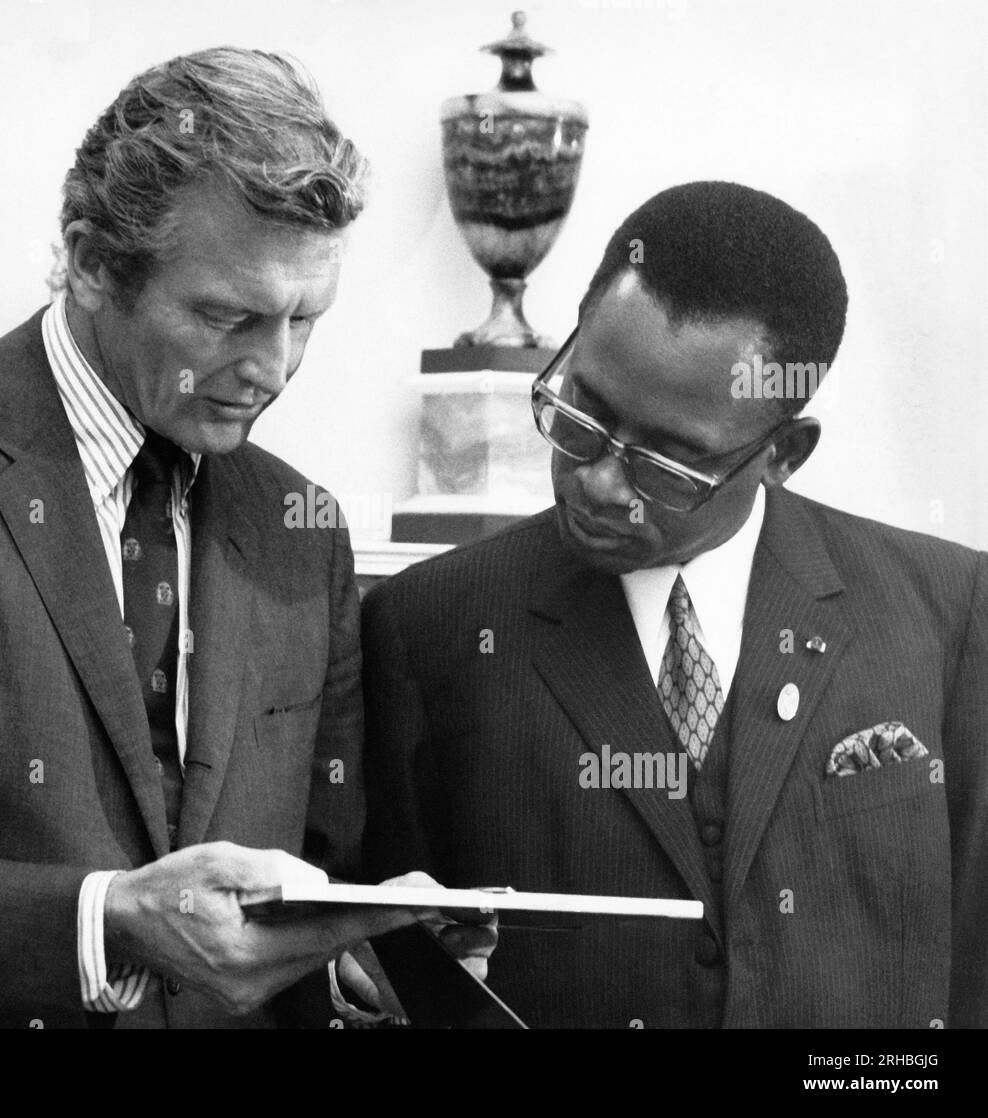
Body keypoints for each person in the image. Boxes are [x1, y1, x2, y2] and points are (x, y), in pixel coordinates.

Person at [0, 47, 455, 1029]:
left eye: (305, 318)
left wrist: (365, 950)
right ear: (93, 260)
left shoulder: (299, 529)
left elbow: (314, 877)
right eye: (227, 315)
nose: (273, 367)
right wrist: (105, 922)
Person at [361, 181, 988, 1028]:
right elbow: (397, 966)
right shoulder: (425, 629)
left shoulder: (950, 612)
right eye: (581, 413)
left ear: (783, 455)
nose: (599, 483)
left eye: (670, 465)